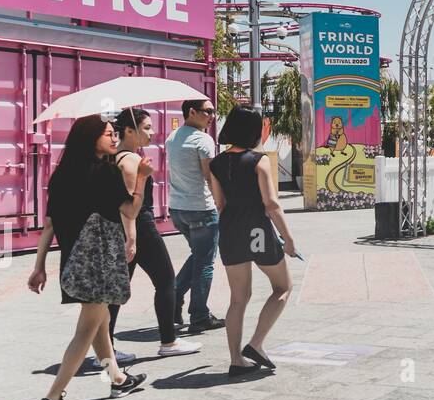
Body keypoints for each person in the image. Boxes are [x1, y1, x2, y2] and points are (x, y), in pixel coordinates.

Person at [27, 115, 148, 400]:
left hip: (73, 263)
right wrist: (143, 177)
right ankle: (53, 399)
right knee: (86, 329)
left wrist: (39, 266)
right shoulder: (106, 173)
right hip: (99, 263)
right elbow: (131, 210)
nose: (114, 138)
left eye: (115, 133)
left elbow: (49, 226)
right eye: (108, 134)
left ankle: (117, 378)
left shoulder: (60, 174)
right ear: (91, 138)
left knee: (100, 321)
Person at [107, 109, 200, 360]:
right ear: (129, 131)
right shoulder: (130, 161)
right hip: (140, 227)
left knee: (116, 290)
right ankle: (168, 341)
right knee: (166, 280)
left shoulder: (114, 157)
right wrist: (133, 238)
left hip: (125, 229)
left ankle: (105, 351)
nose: (151, 132)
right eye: (146, 127)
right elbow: (129, 208)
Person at [210, 107, 296, 378]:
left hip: (229, 230)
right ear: (254, 130)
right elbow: (271, 204)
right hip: (257, 229)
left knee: (238, 298)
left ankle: (236, 359)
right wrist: (289, 239)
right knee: (283, 287)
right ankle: (256, 344)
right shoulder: (259, 161)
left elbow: (219, 204)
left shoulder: (215, 163)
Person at [165, 99, 225, 333]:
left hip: (178, 209)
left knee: (199, 256)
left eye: (213, 112)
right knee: (205, 263)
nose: (212, 116)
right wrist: (221, 203)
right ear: (192, 112)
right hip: (201, 208)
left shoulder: (173, 137)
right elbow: (209, 177)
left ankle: (174, 298)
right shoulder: (203, 140)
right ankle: (199, 315)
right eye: (207, 112)